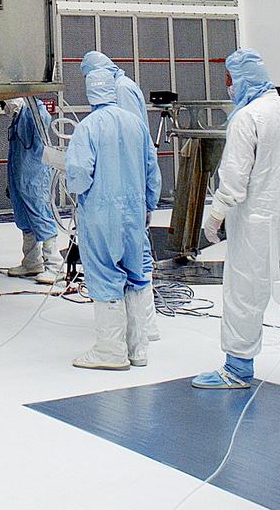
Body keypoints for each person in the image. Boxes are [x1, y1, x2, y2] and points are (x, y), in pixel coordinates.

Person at [193, 49, 280, 390]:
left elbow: (234, 177)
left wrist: (215, 215)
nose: (229, 87)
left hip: (259, 220)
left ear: (243, 78)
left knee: (245, 292)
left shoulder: (248, 117)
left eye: (230, 80)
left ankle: (237, 368)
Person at [57, 67, 161, 370]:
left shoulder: (88, 128)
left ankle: (110, 352)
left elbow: (77, 178)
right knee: (136, 275)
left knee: (105, 275)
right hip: (134, 214)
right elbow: (151, 171)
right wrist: (148, 205)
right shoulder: (136, 124)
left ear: (91, 91)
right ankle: (137, 350)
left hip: (101, 214)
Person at [81, 51, 159, 342]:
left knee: (114, 267)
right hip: (132, 194)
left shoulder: (119, 94)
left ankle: (125, 340)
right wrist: (149, 197)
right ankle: (139, 340)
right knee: (135, 261)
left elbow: (119, 146)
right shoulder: (125, 88)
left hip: (116, 195)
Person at [3, 97, 62, 281]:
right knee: (24, 219)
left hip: (34, 176)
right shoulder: (18, 115)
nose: (4, 107)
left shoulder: (34, 111)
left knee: (41, 216)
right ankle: (32, 262)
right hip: (20, 177)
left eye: (4, 103)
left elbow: (42, 122)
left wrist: (32, 105)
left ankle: (54, 265)